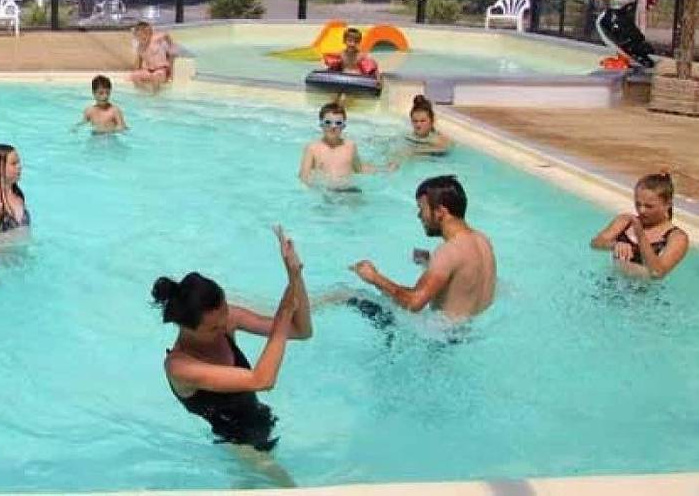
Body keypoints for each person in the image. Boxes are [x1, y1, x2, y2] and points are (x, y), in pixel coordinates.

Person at [154, 227, 311, 464]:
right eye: (214, 328)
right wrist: (285, 312)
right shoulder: (179, 366)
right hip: (235, 444)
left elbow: (301, 331)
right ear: (186, 327)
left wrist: (295, 277)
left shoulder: (226, 320)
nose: (223, 326)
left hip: (260, 419)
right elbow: (262, 380)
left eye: (225, 313)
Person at [350, 175, 497, 322]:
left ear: (440, 212)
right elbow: (465, 284)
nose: (419, 216)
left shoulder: (448, 252)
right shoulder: (482, 240)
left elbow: (414, 303)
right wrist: (428, 264)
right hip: (469, 333)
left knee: (345, 295)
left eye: (422, 209)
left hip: (440, 338)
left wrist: (374, 277)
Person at [590, 172, 689, 279]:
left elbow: (657, 273)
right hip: (610, 286)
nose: (641, 210)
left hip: (643, 294)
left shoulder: (677, 237)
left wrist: (641, 236)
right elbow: (595, 243)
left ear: (668, 204)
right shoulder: (625, 221)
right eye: (638, 204)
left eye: (649, 206)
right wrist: (615, 245)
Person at [298, 101, 393, 189]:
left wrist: (383, 169)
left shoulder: (350, 146)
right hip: (325, 191)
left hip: (348, 189)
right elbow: (304, 177)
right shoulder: (312, 148)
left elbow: (359, 168)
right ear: (321, 124)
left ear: (343, 126)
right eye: (328, 122)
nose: (333, 126)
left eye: (338, 123)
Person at [130, 21, 176, 92]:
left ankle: (155, 95)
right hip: (149, 71)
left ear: (150, 34)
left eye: (146, 35)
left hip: (161, 69)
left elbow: (166, 35)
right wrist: (135, 72)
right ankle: (144, 92)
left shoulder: (155, 39)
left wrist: (171, 47)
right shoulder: (140, 47)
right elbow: (138, 63)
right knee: (134, 76)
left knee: (156, 77)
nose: (143, 39)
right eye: (139, 37)